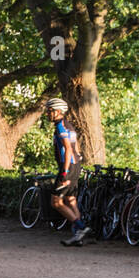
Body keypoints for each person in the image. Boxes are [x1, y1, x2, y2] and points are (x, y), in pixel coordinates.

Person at [46, 98, 90, 246]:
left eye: (49, 111)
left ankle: (80, 227)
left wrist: (64, 172)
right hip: (75, 165)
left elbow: (68, 148)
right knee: (71, 201)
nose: (47, 113)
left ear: (57, 112)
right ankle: (77, 237)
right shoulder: (69, 125)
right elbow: (76, 146)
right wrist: (77, 162)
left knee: (56, 202)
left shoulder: (60, 127)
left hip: (68, 167)